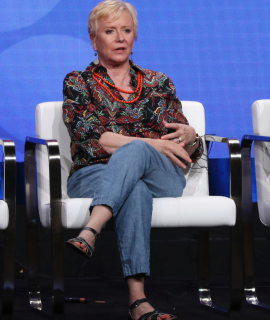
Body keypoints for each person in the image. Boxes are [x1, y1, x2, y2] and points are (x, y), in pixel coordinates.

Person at [62, 1, 203, 319]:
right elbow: (92, 138)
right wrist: (151, 144)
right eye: (110, 31)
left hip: (162, 178)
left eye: (126, 30)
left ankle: (92, 228)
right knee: (134, 187)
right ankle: (139, 302)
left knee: (139, 151)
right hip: (92, 173)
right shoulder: (77, 83)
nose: (119, 38)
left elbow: (181, 147)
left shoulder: (159, 83)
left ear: (135, 36)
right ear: (93, 37)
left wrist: (192, 137)